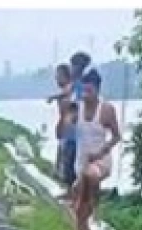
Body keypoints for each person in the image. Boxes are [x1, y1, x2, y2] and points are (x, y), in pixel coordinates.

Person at [71, 69, 122, 230]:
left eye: (90, 92)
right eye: (84, 91)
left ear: (97, 90)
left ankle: (95, 205)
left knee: (91, 176)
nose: (87, 96)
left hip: (100, 161)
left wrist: (102, 151)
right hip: (82, 162)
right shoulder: (79, 108)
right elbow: (65, 128)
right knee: (79, 210)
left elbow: (117, 136)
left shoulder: (106, 109)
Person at [58, 51, 91, 200]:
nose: (72, 68)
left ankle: (76, 194)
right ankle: (71, 192)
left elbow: (81, 105)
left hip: (78, 132)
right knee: (68, 162)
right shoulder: (73, 85)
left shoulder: (83, 86)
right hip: (69, 131)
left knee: (74, 163)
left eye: (74, 66)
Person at [46, 63, 76, 187]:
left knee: (69, 163)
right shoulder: (66, 91)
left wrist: (53, 97)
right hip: (65, 129)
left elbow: (68, 92)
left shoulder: (71, 88)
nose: (56, 79)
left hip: (72, 131)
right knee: (62, 157)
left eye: (58, 76)